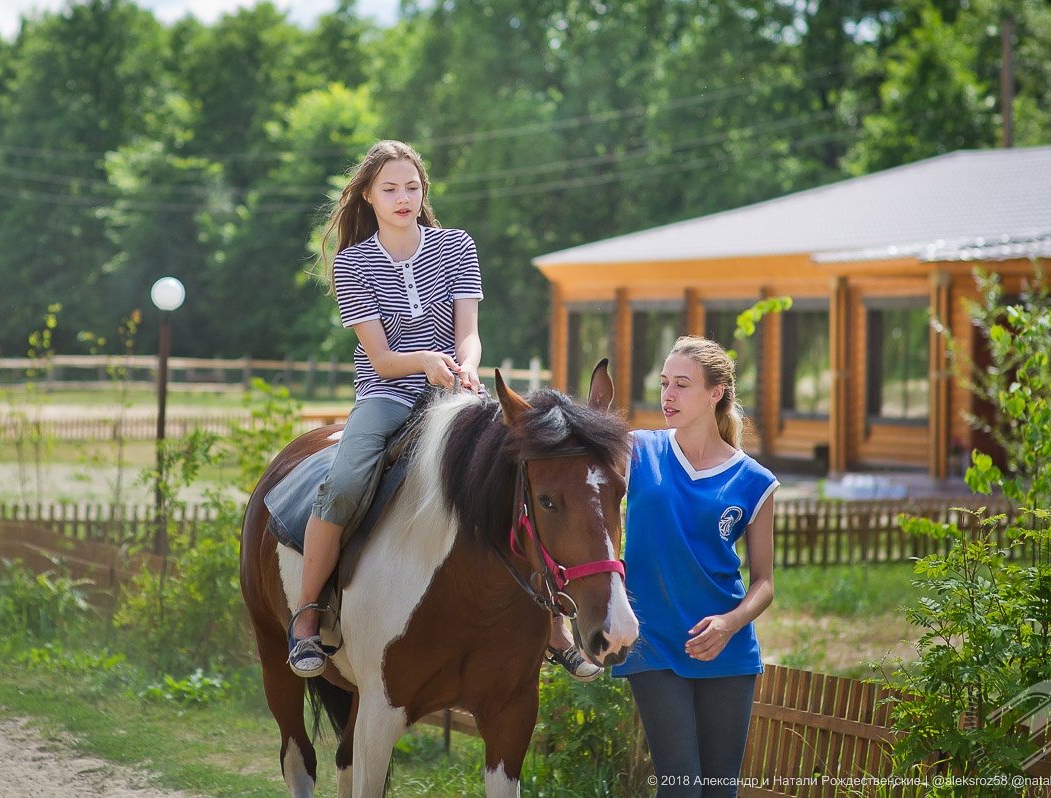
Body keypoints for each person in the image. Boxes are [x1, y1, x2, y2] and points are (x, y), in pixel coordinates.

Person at [288, 140, 599, 683]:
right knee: (343, 483)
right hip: (387, 394)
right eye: (390, 189)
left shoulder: (456, 246)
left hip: (457, 389)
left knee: (520, 477)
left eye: (412, 187)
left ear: (423, 191)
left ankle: (554, 622)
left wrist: (466, 366)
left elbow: (470, 333)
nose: (403, 197)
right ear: (369, 195)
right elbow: (381, 359)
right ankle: (307, 614)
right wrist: (427, 362)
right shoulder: (353, 262)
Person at [613, 335, 777, 797]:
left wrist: (729, 623)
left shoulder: (755, 481)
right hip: (654, 641)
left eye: (682, 384)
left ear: (715, 393)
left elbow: (764, 582)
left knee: (719, 791)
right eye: (664, 383)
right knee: (681, 785)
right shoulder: (636, 451)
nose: (668, 395)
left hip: (726, 647)